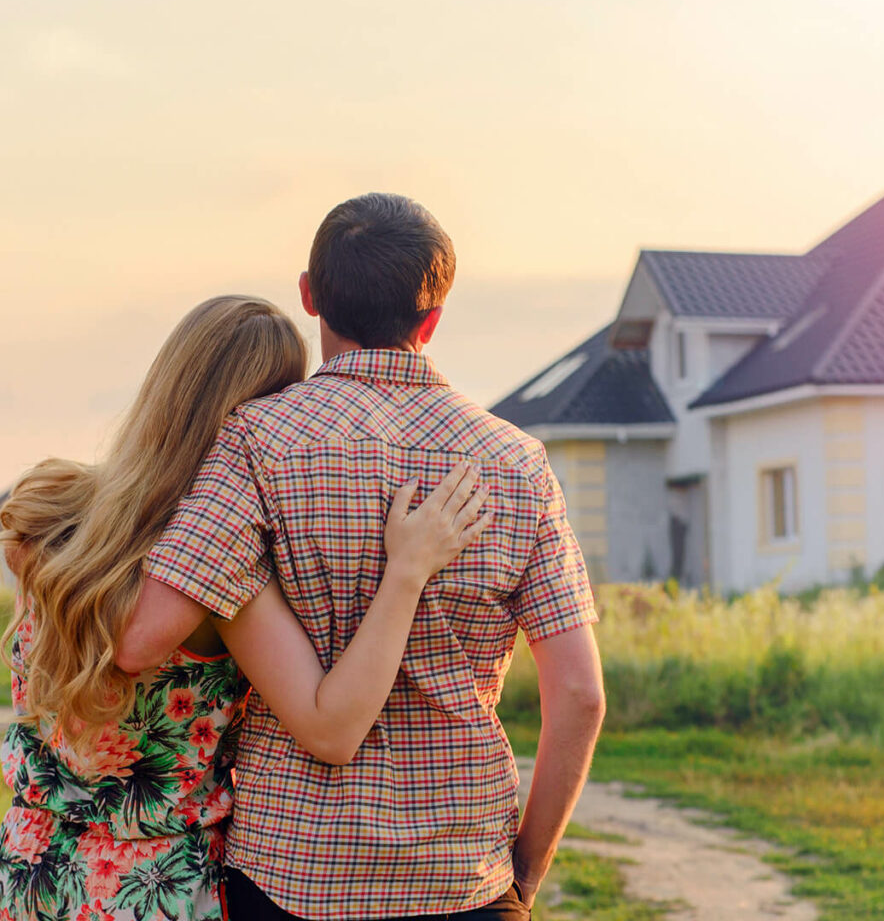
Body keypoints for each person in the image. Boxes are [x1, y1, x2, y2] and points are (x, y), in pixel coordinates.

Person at [118, 194, 607, 921]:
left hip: (292, 874)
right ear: (433, 317)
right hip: (463, 875)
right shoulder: (518, 463)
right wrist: (523, 877)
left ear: (310, 294)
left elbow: (149, 633)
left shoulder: (258, 440)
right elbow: (579, 696)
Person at [0, 295, 490, 921]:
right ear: (255, 415)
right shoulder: (222, 580)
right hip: (155, 891)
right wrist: (406, 572)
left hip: (34, 869)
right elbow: (329, 726)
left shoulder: (49, 514)